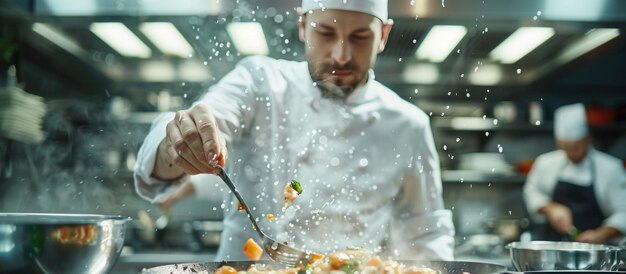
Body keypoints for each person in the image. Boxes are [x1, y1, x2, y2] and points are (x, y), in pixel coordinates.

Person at [134, 0, 455, 260]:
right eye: (326, 33)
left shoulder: (408, 124)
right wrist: (176, 142)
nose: (340, 55)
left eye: (360, 37)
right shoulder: (260, 82)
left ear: (383, 35)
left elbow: (426, 232)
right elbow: (209, 119)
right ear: (303, 26)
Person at [524, 103, 626, 244]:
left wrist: (601, 234)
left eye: (576, 147)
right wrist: (551, 208)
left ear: (588, 139)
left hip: (597, 249)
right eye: (566, 147)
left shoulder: (610, 168)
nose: (572, 153)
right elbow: (532, 192)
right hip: (552, 246)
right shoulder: (545, 163)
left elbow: (624, 212)